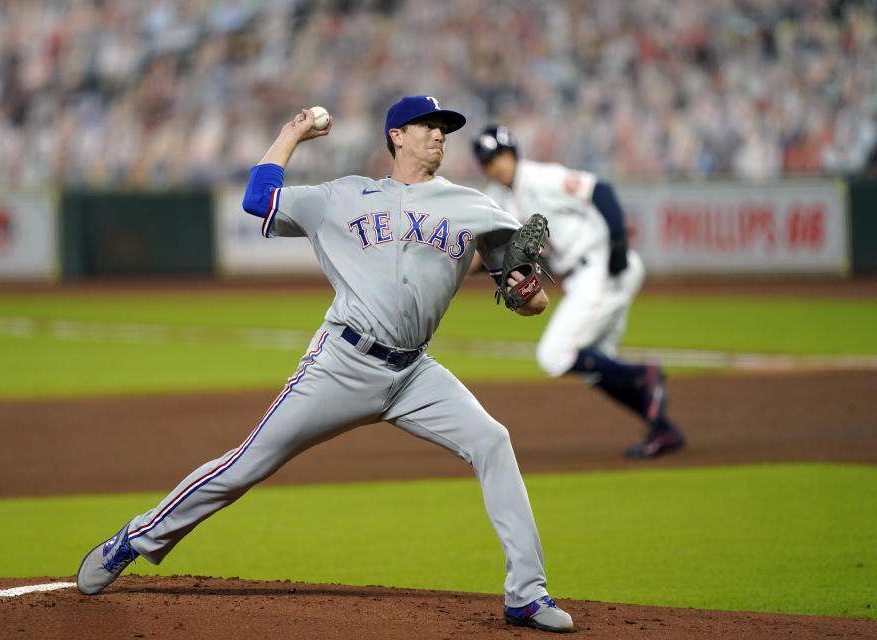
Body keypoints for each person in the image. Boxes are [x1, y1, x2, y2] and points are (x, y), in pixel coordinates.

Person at [76, 96, 574, 633]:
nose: (439, 134)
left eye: (444, 128)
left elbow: (532, 300)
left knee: (492, 440)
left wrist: (524, 291)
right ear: (396, 137)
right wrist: (293, 132)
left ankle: (526, 595)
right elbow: (257, 199)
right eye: (426, 125)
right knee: (245, 466)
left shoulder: (476, 207)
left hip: (415, 374)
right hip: (341, 363)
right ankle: (134, 539)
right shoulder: (343, 195)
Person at [472, 124, 685, 459]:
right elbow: (486, 254)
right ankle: (662, 428)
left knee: (554, 355)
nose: (497, 164)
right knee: (595, 367)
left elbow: (599, 189)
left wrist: (617, 241)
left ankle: (646, 374)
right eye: (489, 160)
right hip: (584, 275)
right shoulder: (503, 198)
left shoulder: (540, 178)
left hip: (600, 266)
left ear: (513, 153)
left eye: (501, 155)